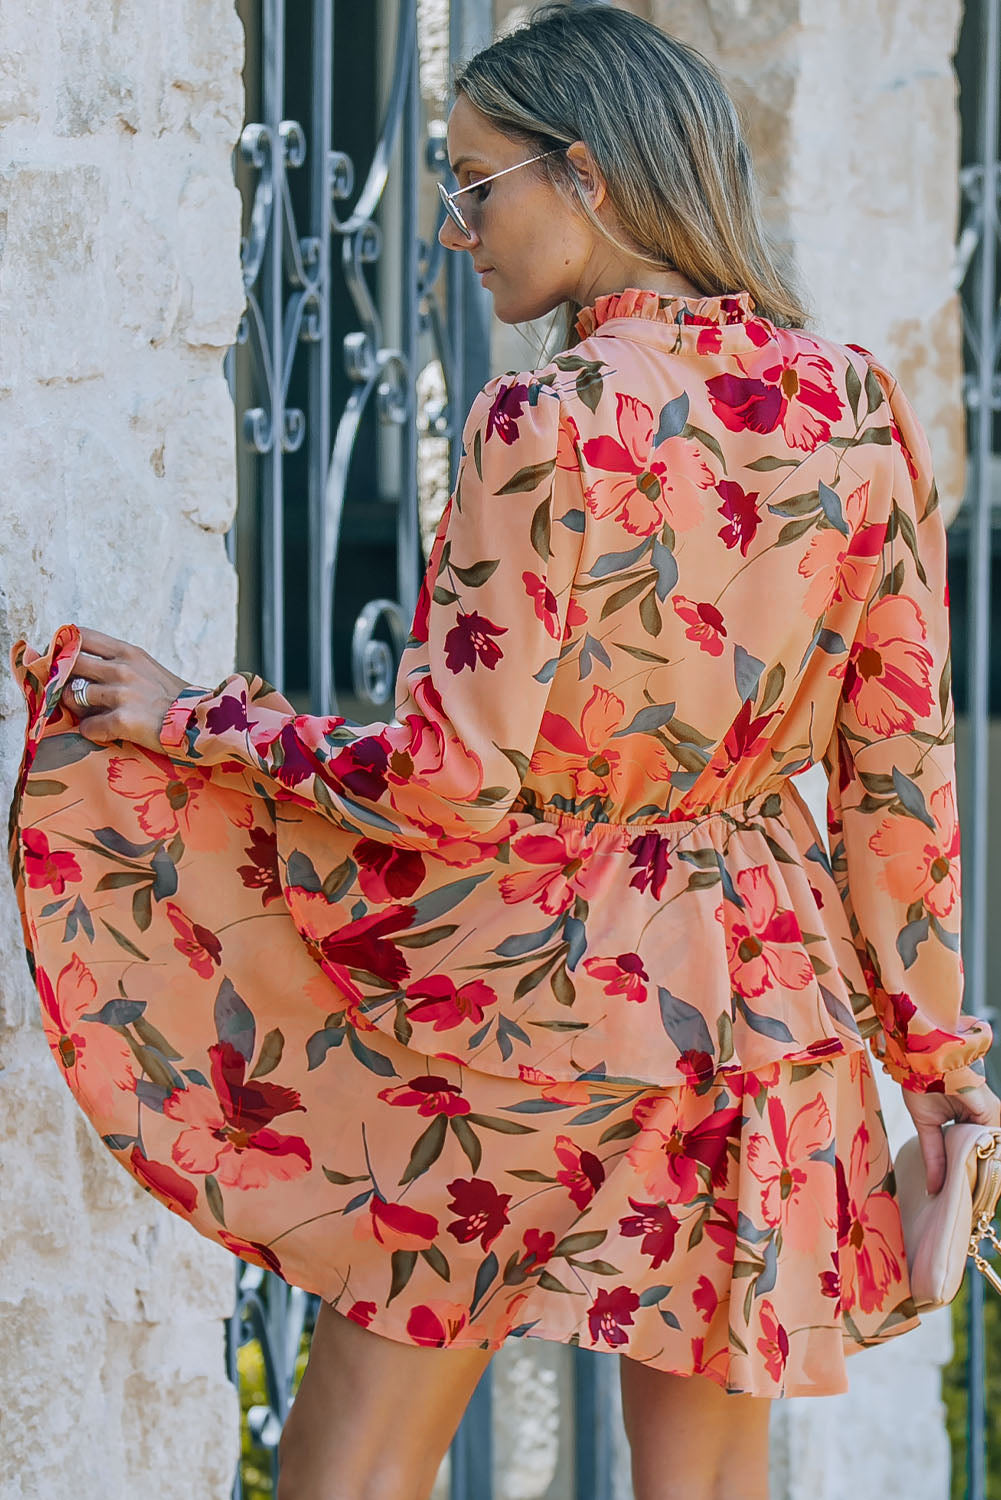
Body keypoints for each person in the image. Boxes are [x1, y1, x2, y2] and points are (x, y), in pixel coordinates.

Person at [9, 6, 998, 1499]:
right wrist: (934, 1065)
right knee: (711, 1478)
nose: (456, 231)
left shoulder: (552, 417)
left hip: (539, 1004)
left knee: (363, 1455)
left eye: (474, 186)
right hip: (756, 1009)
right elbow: (896, 780)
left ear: (585, 177)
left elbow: (448, 777)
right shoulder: (853, 406)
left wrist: (190, 718)